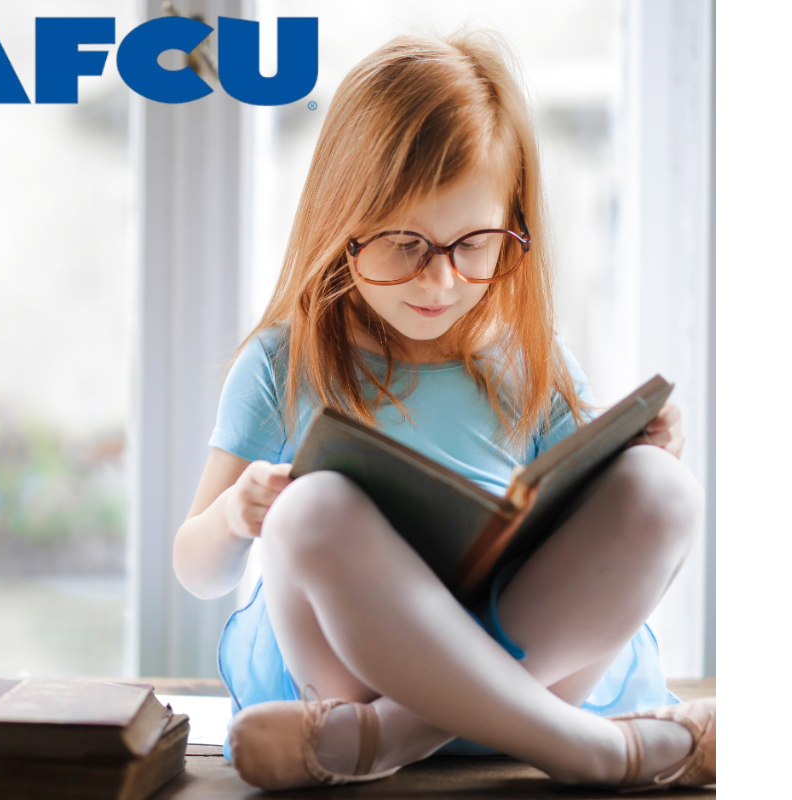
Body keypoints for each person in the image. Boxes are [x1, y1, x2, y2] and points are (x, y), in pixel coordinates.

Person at [172, 30, 715, 792]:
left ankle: (395, 736)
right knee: (309, 509)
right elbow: (195, 570)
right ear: (341, 223)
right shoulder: (284, 362)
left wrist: (650, 448)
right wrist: (237, 515)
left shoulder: (532, 359)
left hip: (514, 669)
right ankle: (597, 752)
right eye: (402, 244)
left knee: (663, 489)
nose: (441, 281)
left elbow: (605, 516)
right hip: (349, 674)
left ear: (513, 228)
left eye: (475, 244)